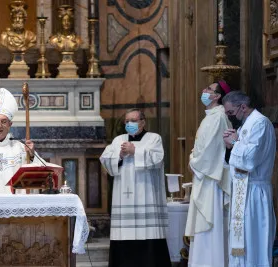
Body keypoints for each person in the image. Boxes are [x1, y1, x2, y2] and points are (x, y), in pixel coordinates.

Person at [99, 108, 171, 267]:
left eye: (133, 120)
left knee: (148, 237)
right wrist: (119, 155)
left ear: (143, 122)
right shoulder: (118, 140)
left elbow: (158, 159)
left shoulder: (154, 139)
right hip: (124, 199)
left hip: (146, 193)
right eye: (127, 121)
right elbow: (105, 158)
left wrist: (135, 151)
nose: (129, 124)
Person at [222, 91, 276, 267]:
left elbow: (251, 160)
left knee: (254, 242)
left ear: (242, 107)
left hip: (255, 192)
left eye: (230, 112)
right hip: (242, 190)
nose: (229, 116)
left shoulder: (260, 123)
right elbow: (237, 159)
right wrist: (230, 146)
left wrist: (235, 143)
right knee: (241, 243)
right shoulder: (245, 124)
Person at [185, 81, 232, 267]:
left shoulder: (218, 117)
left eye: (209, 90)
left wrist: (192, 161)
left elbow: (211, 151)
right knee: (204, 227)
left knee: (210, 223)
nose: (204, 91)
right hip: (204, 176)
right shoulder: (210, 117)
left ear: (218, 96)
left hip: (211, 179)